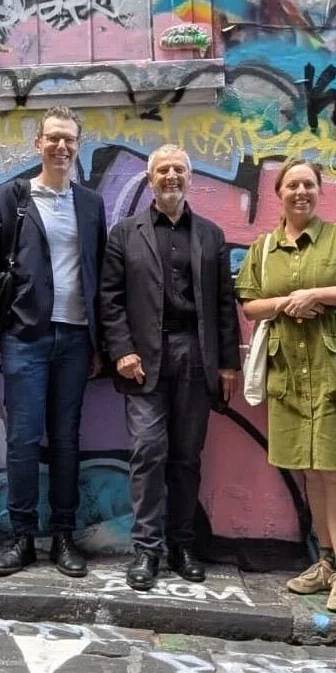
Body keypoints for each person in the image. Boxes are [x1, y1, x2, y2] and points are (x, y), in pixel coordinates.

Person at [235, 158, 336, 614]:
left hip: (335, 374)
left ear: (319, 192)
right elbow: (250, 306)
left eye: (308, 185)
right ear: (278, 192)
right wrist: (286, 302)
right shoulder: (263, 249)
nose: (300, 192)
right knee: (309, 471)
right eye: (292, 185)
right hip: (289, 376)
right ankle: (321, 562)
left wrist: (316, 295)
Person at [0, 106, 107, 578]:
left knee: (66, 439)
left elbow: (101, 273)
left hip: (75, 339)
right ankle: (21, 536)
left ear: (77, 145)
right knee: (24, 441)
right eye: (53, 139)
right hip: (25, 336)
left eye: (69, 139)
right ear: (38, 145)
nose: (61, 147)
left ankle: (64, 537)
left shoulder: (90, 203)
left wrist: (102, 343)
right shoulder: (10, 198)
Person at [100, 145, 242, 590]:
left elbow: (224, 304)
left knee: (186, 456)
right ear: (149, 178)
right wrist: (121, 350)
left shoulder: (211, 235)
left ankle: (181, 545)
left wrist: (227, 364)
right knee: (148, 452)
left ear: (190, 176)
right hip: (144, 360)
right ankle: (146, 549)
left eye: (178, 169)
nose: (171, 176)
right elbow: (110, 298)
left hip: (197, 358)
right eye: (162, 170)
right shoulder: (125, 233)